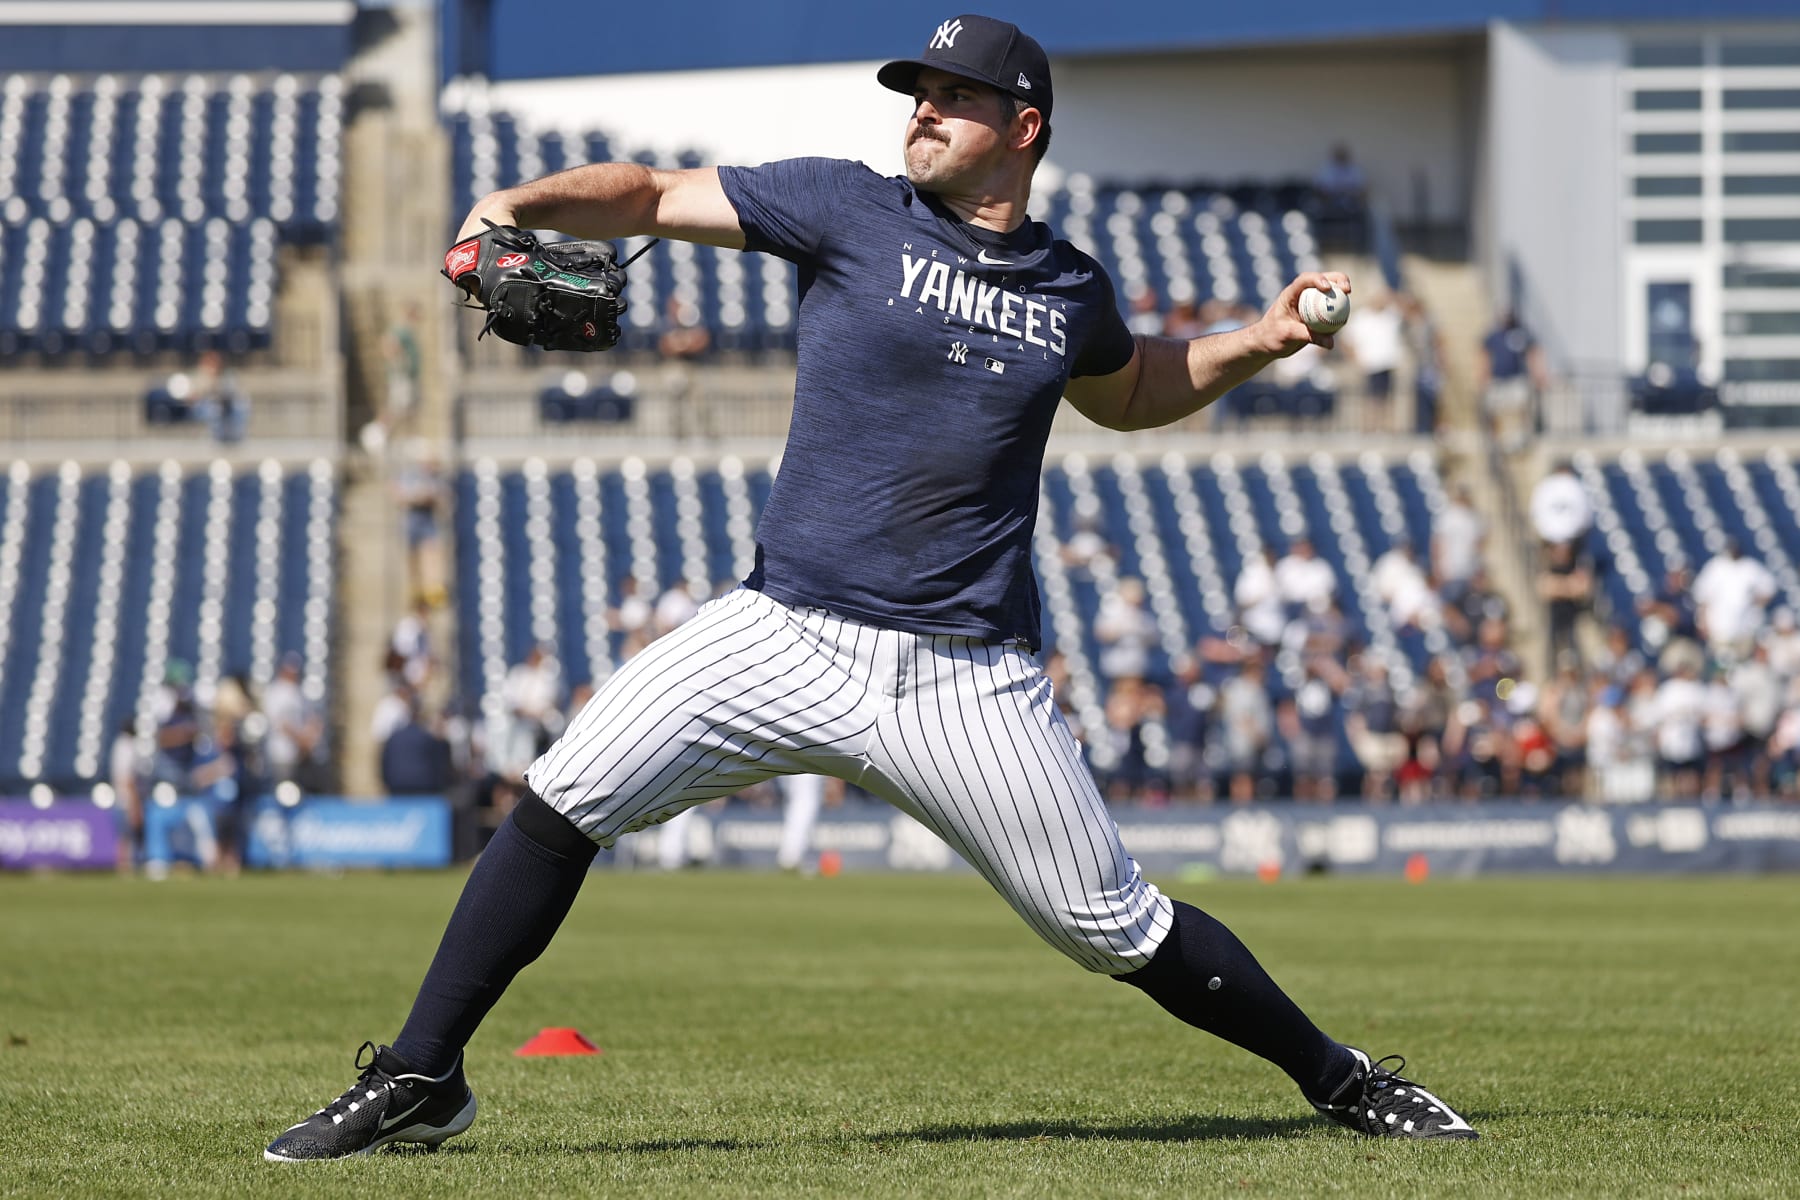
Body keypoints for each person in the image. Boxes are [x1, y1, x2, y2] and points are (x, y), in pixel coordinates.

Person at [264, 15, 1474, 1162]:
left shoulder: (1067, 285)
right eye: (919, 94)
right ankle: (423, 1077)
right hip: (784, 627)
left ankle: (1344, 1079)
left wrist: (1257, 343)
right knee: (565, 793)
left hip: (963, 671)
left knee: (1114, 926)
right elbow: (644, 192)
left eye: (956, 98)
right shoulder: (845, 205)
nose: (925, 112)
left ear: (1026, 127)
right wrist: (507, 208)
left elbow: (1134, 389)